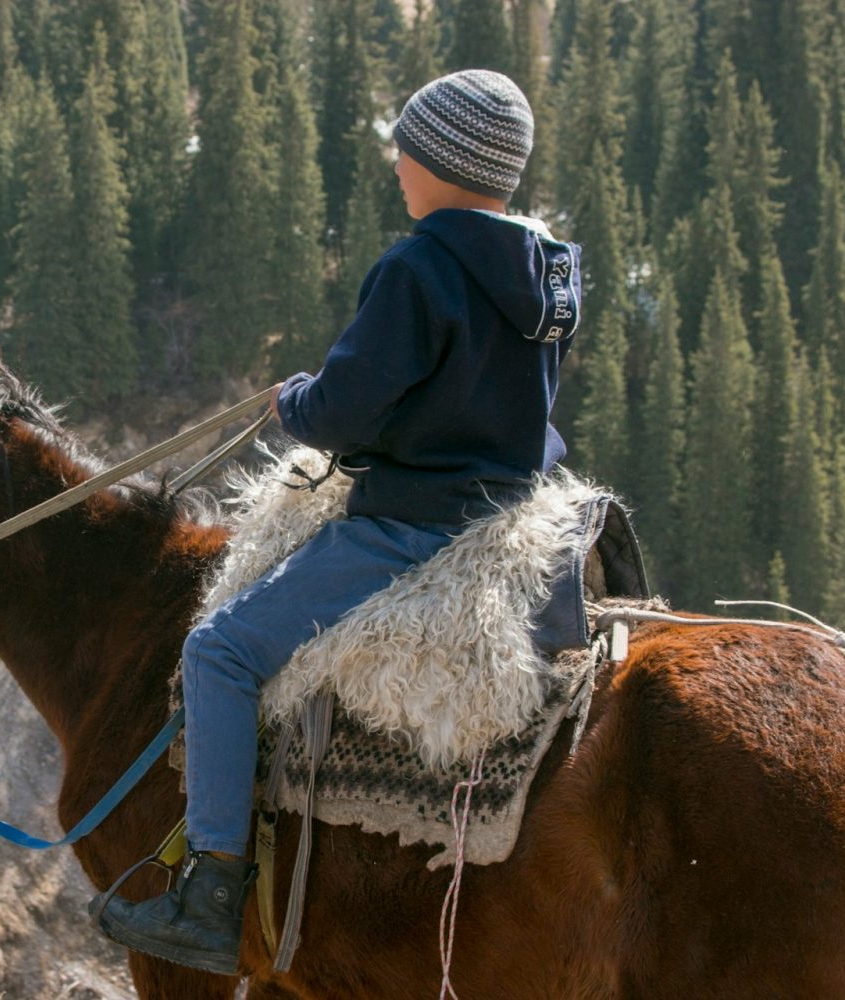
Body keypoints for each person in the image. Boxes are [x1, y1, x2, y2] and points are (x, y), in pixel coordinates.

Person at [92, 69, 583, 975]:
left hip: (414, 526)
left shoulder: (418, 267)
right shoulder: (550, 270)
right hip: (515, 515)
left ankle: (210, 893)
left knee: (220, 652)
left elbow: (343, 416)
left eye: (410, 146)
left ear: (443, 160)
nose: (398, 162)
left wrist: (298, 402)